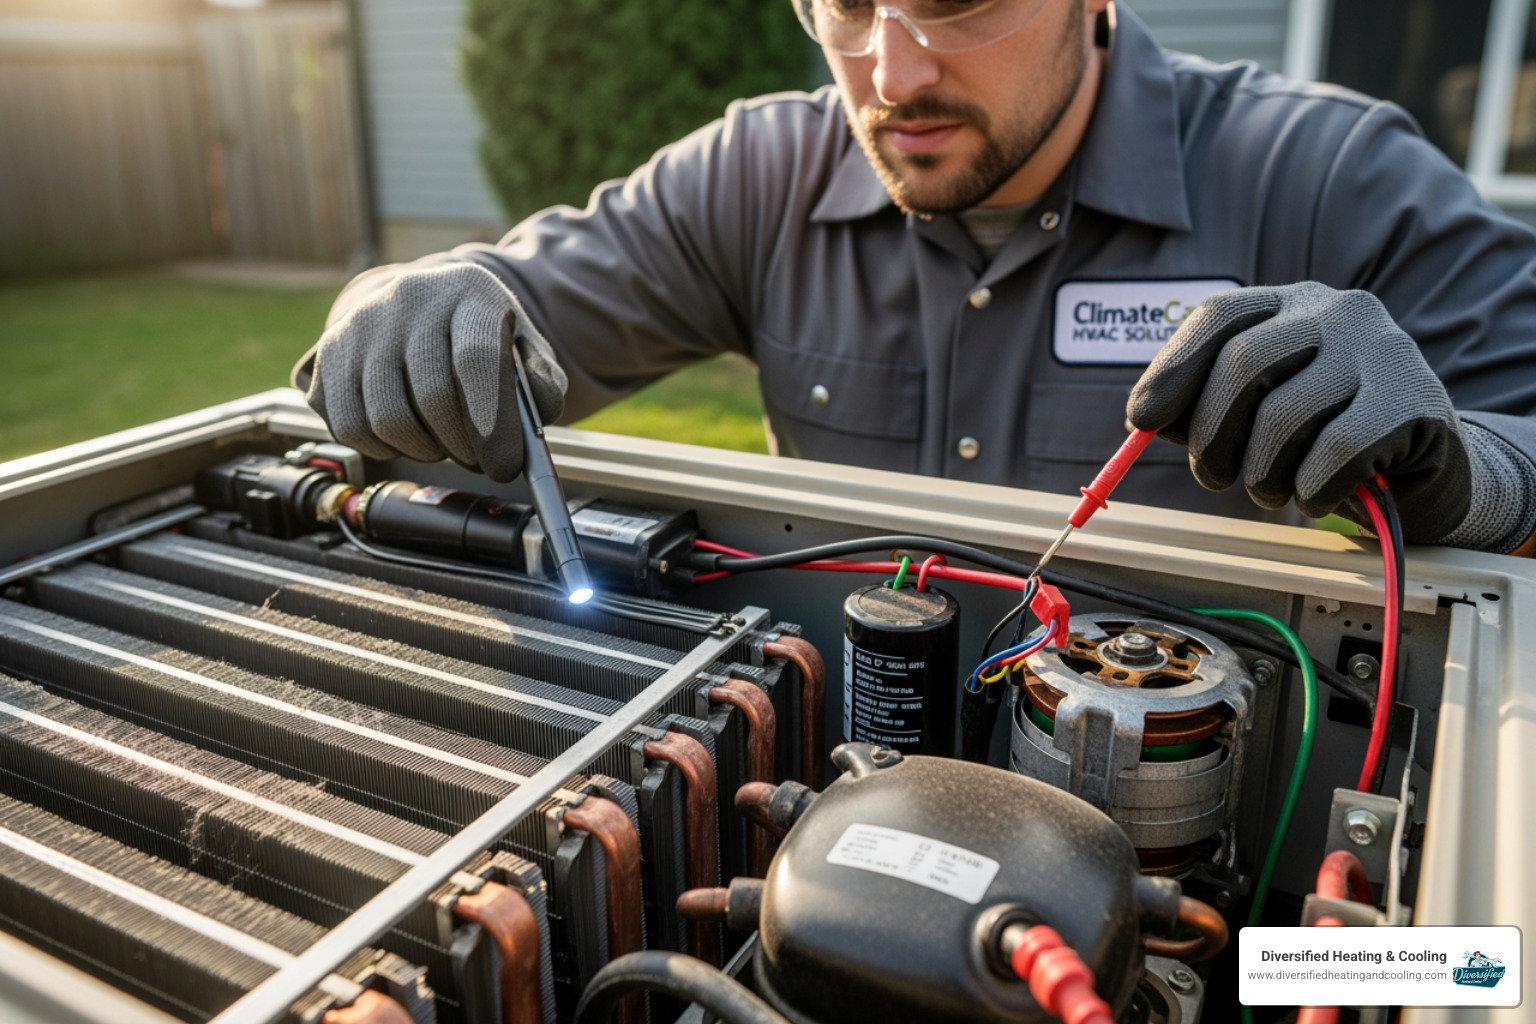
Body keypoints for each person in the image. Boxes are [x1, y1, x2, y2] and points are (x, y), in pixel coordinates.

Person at [294, 0, 1536, 554]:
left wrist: (1455, 469)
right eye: (846, 3)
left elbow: (1515, 448)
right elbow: (489, 311)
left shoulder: (1327, 175)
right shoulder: (759, 173)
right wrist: (396, 298)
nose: (891, 75)